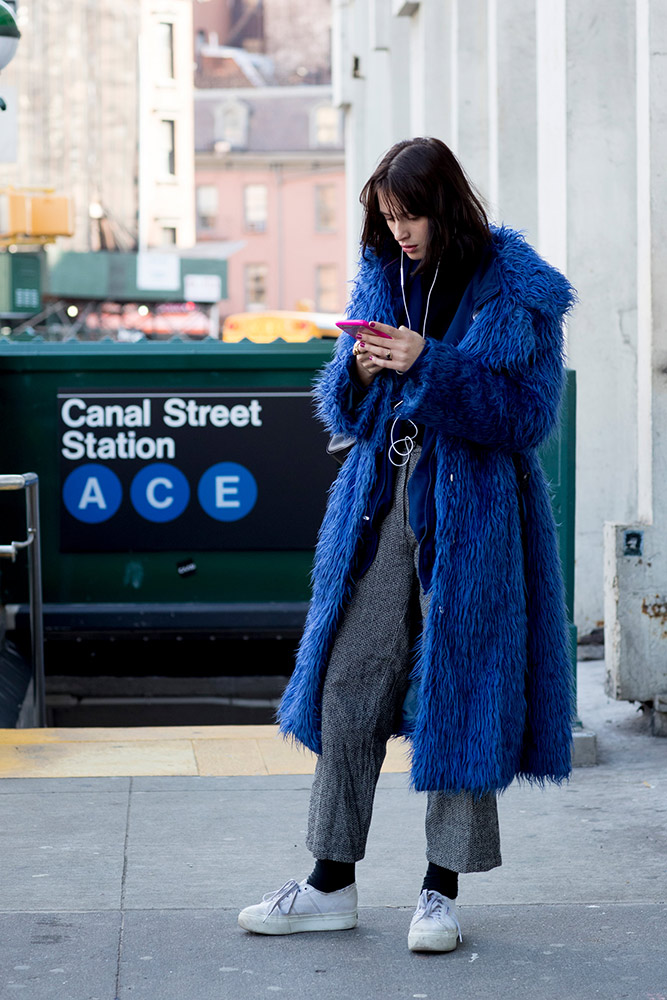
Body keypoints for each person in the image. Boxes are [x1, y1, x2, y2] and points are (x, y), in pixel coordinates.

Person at [238, 136, 576, 952]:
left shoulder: (519, 291)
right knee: (349, 683)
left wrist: (431, 363)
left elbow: (527, 419)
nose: (399, 232)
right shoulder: (381, 276)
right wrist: (357, 373)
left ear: (447, 204)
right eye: (387, 217)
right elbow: (345, 413)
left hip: (476, 517)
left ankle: (440, 891)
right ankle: (329, 881)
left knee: (461, 692)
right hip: (382, 503)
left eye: (410, 214)